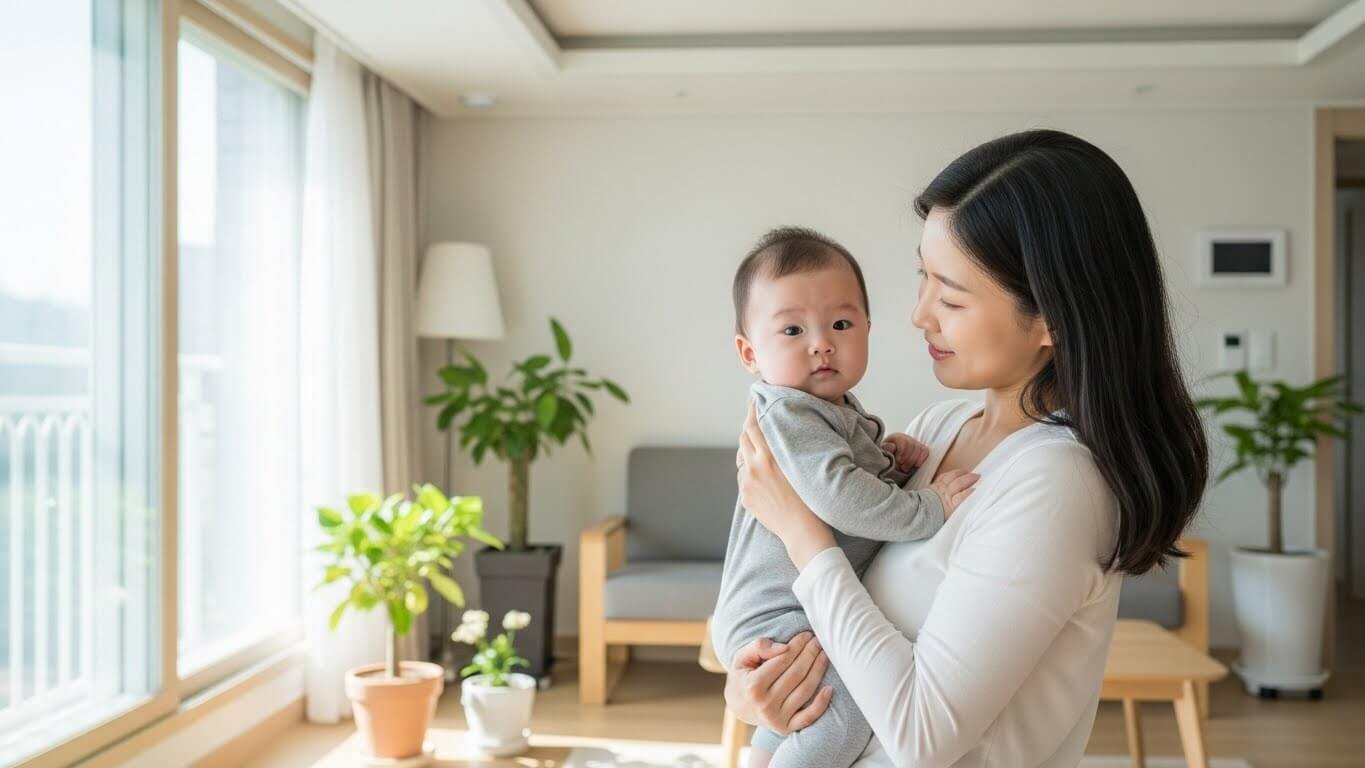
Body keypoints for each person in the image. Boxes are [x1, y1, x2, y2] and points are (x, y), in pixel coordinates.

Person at [726, 129, 1209, 767]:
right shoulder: (936, 429)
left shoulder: (1057, 484)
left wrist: (801, 533)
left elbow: (924, 739)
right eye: (923, 277)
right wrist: (754, 693)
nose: (919, 315)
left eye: (950, 296)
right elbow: (831, 627)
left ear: (1050, 321)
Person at [712, 226, 978, 768]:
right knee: (844, 707)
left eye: (840, 323)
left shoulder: (827, 408)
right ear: (749, 352)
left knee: (804, 699)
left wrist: (886, 458)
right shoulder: (788, 409)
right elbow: (840, 499)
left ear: (867, 328)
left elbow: (837, 477)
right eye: (791, 329)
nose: (821, 343)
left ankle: (762, 759)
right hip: (778, 612)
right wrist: (929, 506)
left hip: (792, 607)